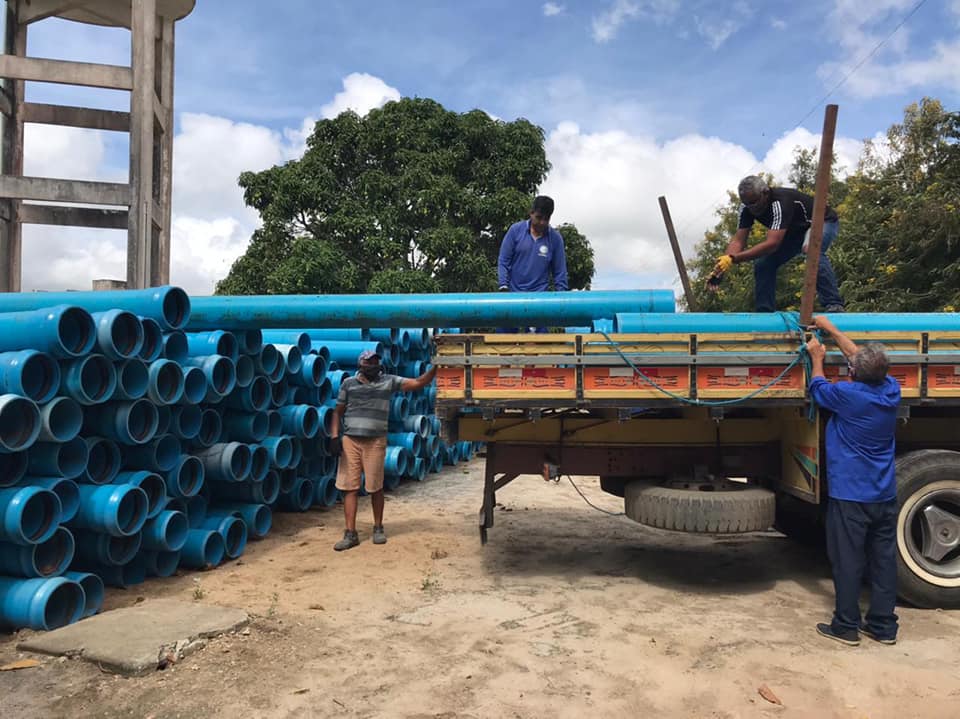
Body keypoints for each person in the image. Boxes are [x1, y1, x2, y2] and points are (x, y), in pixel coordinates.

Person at [805, 315, 901, 646]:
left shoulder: (848, 395)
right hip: (884, 494)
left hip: (851, 496)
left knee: (848, 561)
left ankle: (846, 626)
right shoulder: (891, 390)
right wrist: (831, 329)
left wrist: (817, 358)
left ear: (853, 373)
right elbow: (859, 357)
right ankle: (883, 627)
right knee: (884, 561)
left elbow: (817, 387)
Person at [329, 349, 437, 551]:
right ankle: (350, 533)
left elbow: (418, 383)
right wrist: (334, 437)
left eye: (375, 362)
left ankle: (378, 528)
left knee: (375, 486)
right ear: (360, 364)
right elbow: (337, 412)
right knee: (349, 487)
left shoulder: (389, 381)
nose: (373, 365)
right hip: (351, 441)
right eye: (369, 362)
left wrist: (436, 367)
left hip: (375, 441)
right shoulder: (348, 384)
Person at [708, 176, 845, 313]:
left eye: (754, 203)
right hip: (793, 233)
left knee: (811, 250)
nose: (752, 208)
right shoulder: (746, 207)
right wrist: (723, 266)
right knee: (763, 263)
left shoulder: (780, 202)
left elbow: (772, 244)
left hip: (821, 222)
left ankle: (834, 304)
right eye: (747, 204)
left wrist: (735, 258)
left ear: (765, 193)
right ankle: (765, 313)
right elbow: (738, 240)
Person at [497, 195, 569, 333]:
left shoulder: (555, 239)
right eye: (539, 217)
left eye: (546, 219)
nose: (542, 222)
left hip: (539, 301)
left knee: (538, 344)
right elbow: (503, 261)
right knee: (504, 342)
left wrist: (562, 298)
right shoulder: (515, 231)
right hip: (512, 297)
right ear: (531, 213)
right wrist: (503, 286)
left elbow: (560, 272)